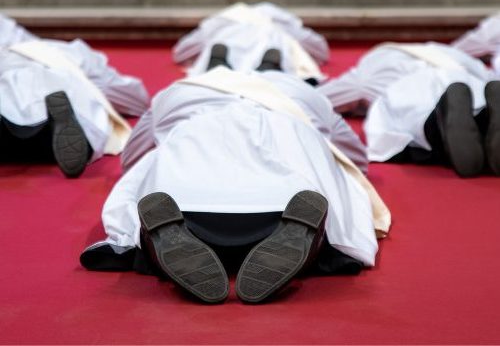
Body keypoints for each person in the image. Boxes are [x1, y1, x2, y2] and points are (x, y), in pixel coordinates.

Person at [80, 65, 391, 304]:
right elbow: (356, 157)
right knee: (327, 181)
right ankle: (310, 243)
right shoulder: (302, 94)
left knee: (149, 174)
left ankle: (161, 240)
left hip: (187, 197)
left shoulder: (181, 91)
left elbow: (131, 156)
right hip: (285, 198)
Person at [317, 41, 500, 177]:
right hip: (462, 76)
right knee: (478, 103)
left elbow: (319, 100)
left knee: (414, 123)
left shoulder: (373, 67)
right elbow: (487, 73)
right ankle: (484, 118)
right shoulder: (449, 53)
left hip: (410, 88)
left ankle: (440, 127)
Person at [0, 14, 150, 177]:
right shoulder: (62, 52)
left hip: (12, 103)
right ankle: (75, 134)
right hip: (51, 79)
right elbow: (133, 98)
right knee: (84, 119)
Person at [173, 2, 328, 84]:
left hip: (228, 36)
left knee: (222, 44)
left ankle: (218, 69)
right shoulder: (274, 15)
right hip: (270, 38)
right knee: (280, 46)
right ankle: (270, 72)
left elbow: (183, 50)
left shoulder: (226, 16)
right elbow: (315, 45)